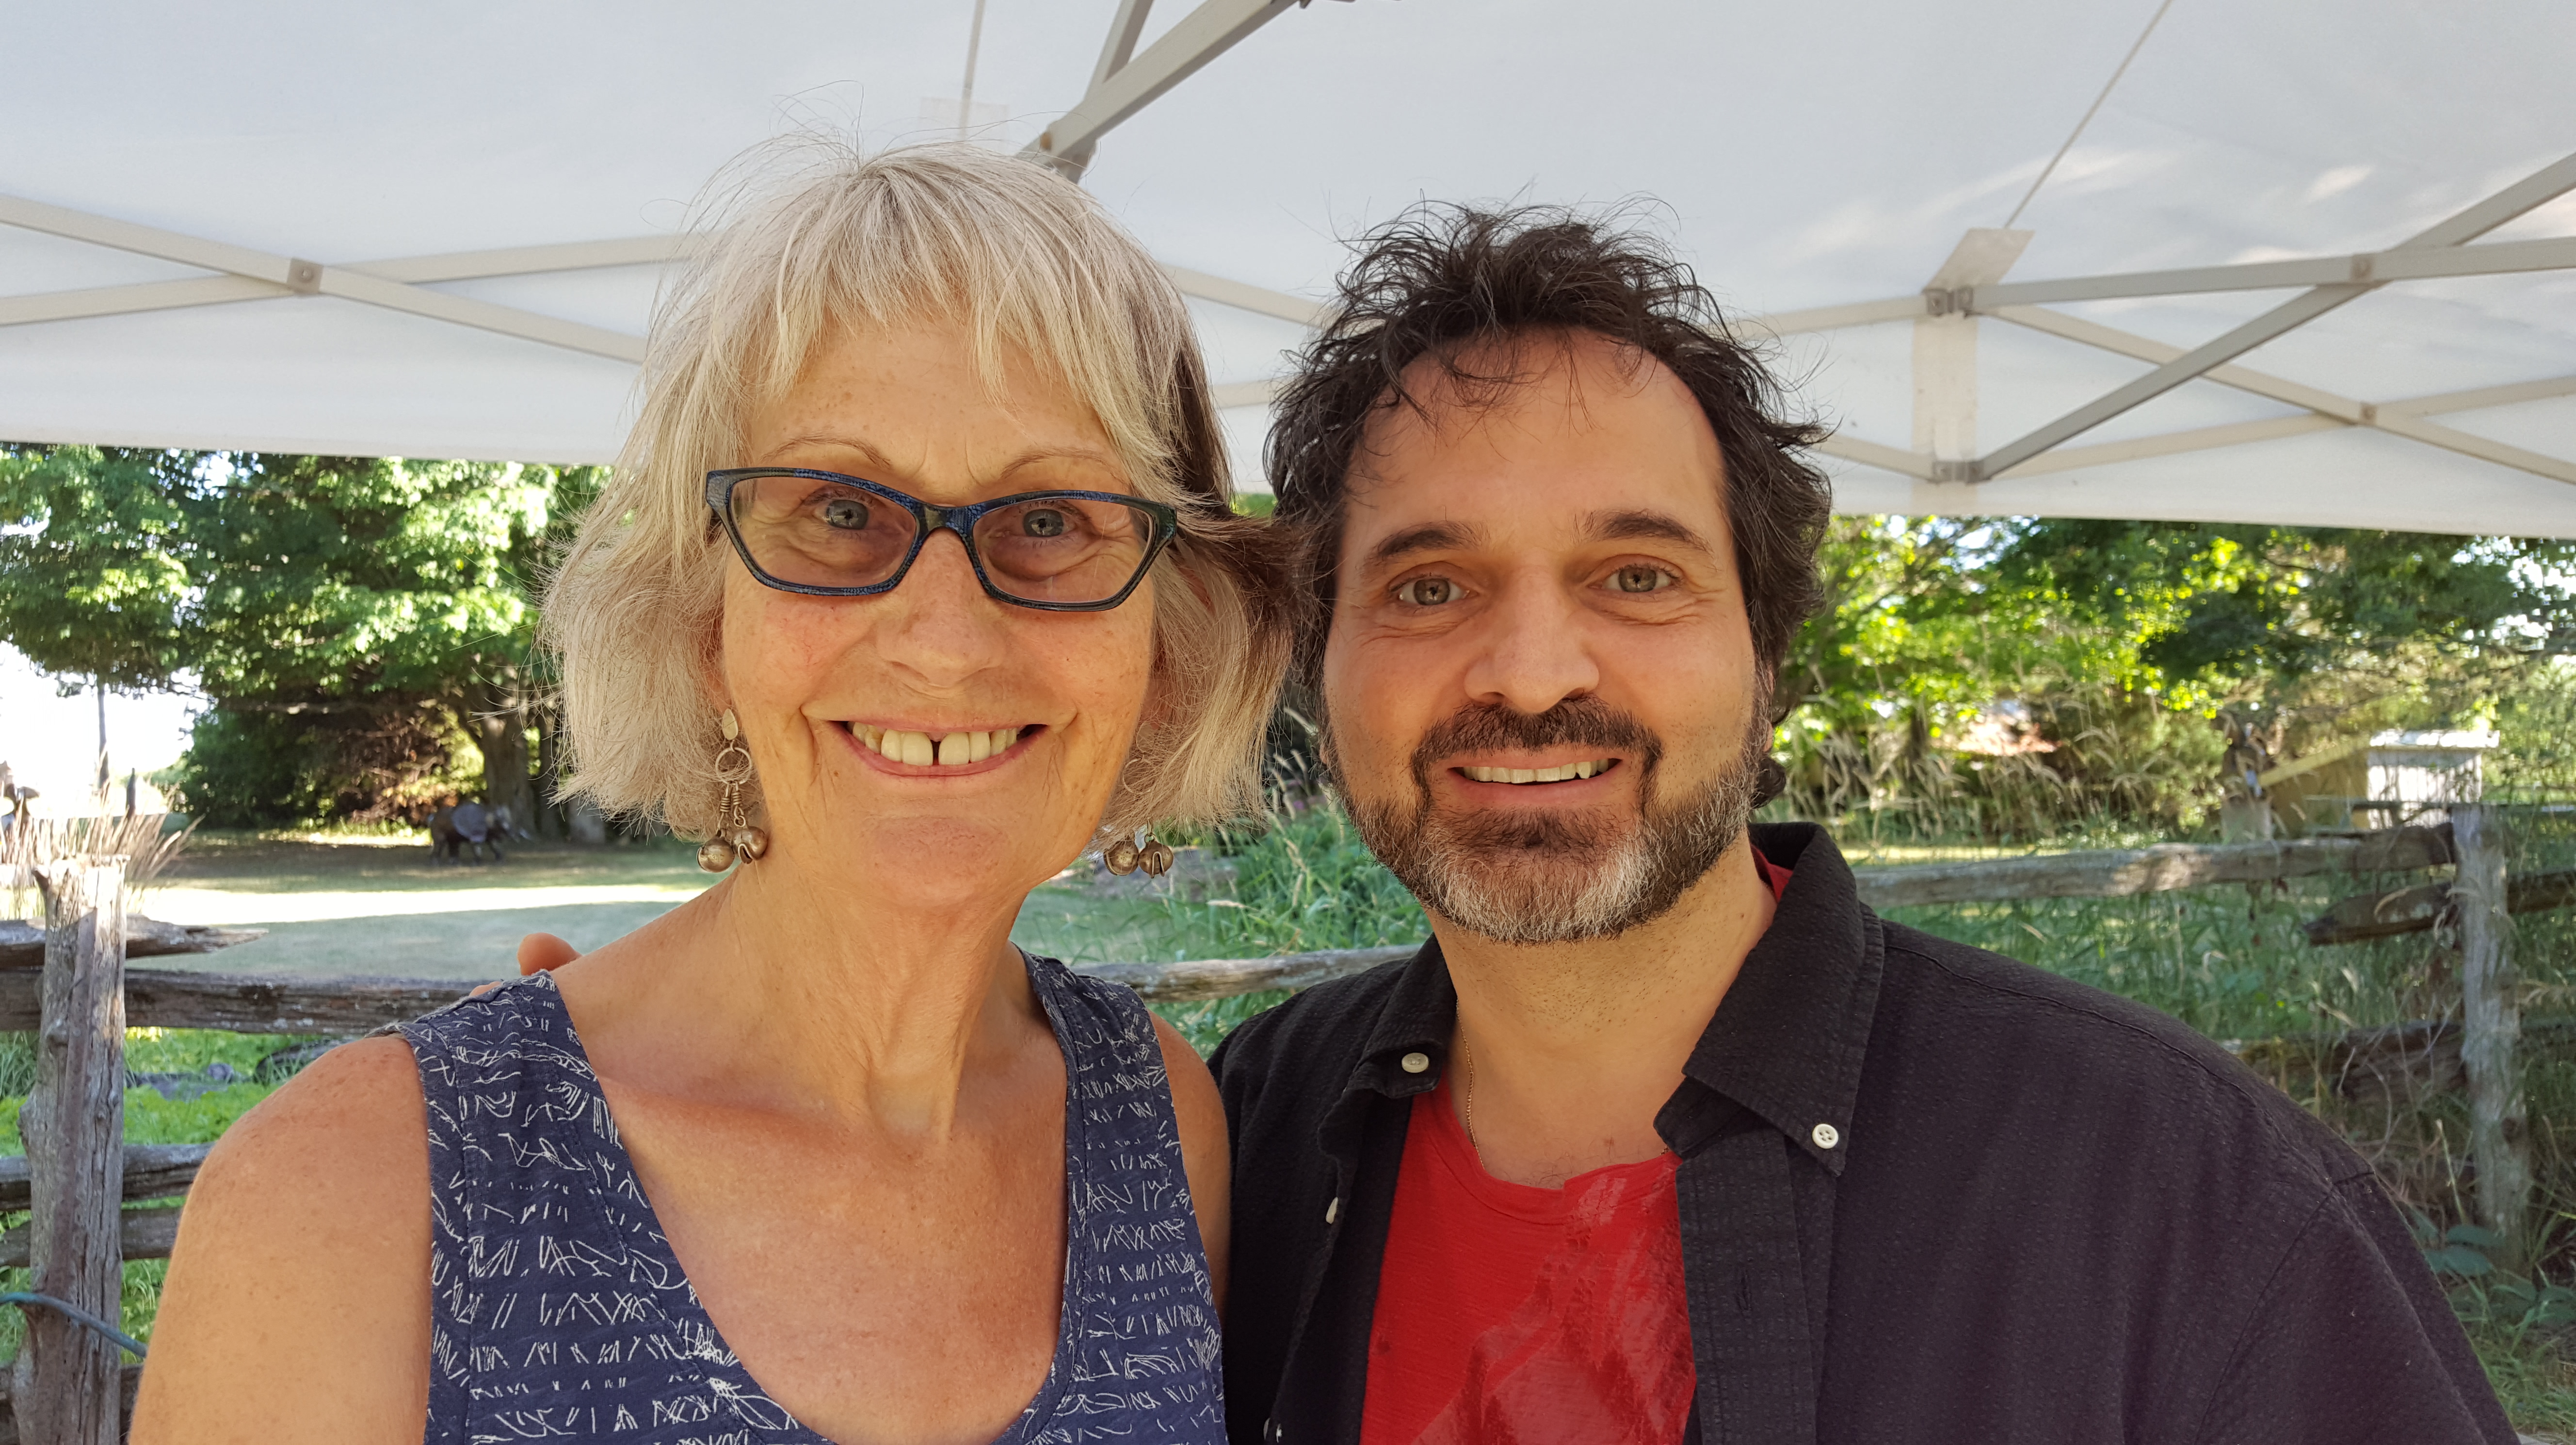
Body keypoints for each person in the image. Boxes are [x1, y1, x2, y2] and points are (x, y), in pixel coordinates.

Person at [1211, 208, 2514, 1444]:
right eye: (1429, 586)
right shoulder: (1244, 1131)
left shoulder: (2183, 1193)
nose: (1534, 673)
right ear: (1318, 662)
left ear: (1767, 656)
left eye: (1638, 576)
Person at [133, 141, 1287, 1445]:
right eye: (838, 511)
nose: (946, 642)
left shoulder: (1159, 1126)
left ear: (1168, 641)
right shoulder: (346, 1199)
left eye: (1051, 520)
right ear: (702, 625)